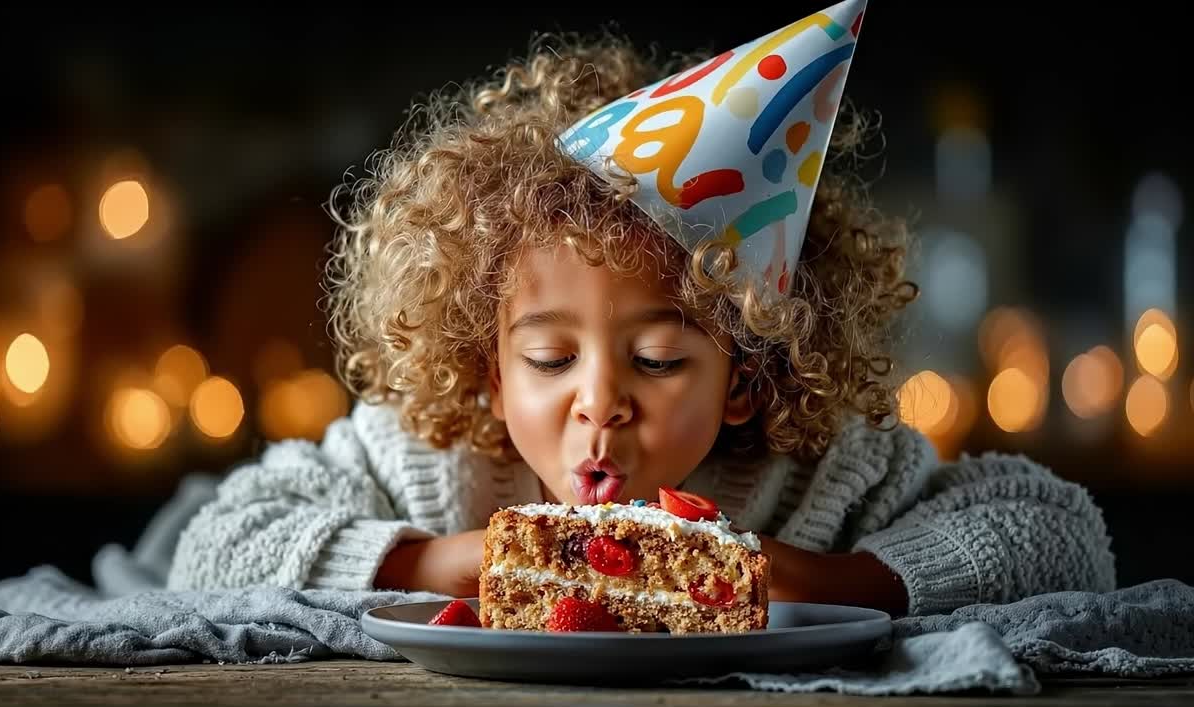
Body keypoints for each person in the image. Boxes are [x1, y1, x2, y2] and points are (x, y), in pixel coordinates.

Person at [165, 0, 1116, 617]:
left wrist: (795, 577)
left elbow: (1060, 533)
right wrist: (454, 563)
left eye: (658, 360)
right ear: (490, 371)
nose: (599, 404)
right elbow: (213, 546)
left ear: (745, 379)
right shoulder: (424, 461)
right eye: (548, 361)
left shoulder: (824, 478)